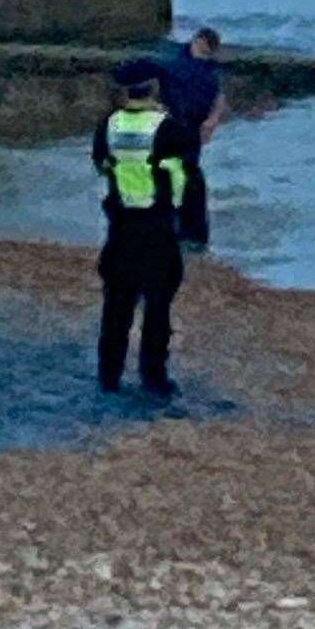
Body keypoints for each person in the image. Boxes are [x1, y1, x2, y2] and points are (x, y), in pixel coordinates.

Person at [92, 59, 191, 398]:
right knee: (157, 307)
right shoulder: (169, 128)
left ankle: (109, 375)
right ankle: (154, 376)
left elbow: (101, 165)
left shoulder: (108, 125)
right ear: (155, 88)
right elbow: (186, 175)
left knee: (116, 307)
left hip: (120, 228)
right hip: (157, 228)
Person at [161, 27, 226, 250]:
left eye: (209, 48)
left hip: (194, 128)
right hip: (173, 124)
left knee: (190, 175)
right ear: (197, 41)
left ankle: (192, 234)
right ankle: (174, 228)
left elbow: (219, 96)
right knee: (174, 173)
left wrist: (212, 121)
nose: (205, 50)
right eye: (204, 45)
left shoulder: (210, 69)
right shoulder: (174, 61)